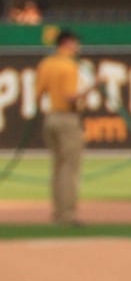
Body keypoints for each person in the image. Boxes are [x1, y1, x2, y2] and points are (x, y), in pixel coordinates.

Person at [36, 30, 85, 227]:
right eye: (75, 43)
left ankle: (57, 213)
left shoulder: (46, 64)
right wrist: (95, 86)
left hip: (50, 118)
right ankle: (67, 215)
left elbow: (38, 93)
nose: (77, 47)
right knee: (69, 169)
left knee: (57, 167)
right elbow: (70, 97)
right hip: (67, 117)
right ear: (67, 43)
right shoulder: (69, 66)